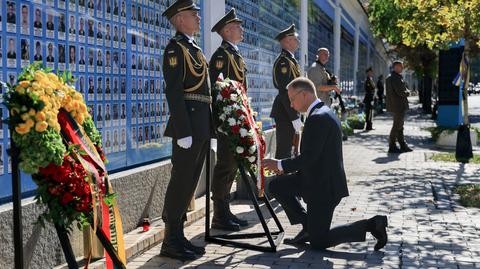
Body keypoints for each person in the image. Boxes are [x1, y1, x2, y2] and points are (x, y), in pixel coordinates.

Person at [263, 77, 388, 251]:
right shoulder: (321, 112)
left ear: (304, 94)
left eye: (292, 99)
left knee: (318, 242)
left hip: (324, 188)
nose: (290, 105)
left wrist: (280, 165)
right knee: (277, 186)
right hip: (313, 178)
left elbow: (308, 157)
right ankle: (309, 226)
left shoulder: (318, 118)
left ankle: (373, 224)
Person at [160, 0, 213, 261]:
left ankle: (178, 237)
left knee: (189, 183)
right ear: (180, 19)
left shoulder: (194, 49)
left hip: (200, 126)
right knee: (181, 182)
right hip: (188, 127)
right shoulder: (175, 50)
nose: (198, 18)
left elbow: (205, 93)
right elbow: (174, 92)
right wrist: (183, 131)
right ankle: (170, 240)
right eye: (194, 14)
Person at [209, 8, 248, 232]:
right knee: (225, 166)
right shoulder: (222, 56)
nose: (241, 29)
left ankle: (225, 213)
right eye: (237, 26)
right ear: (227, 30)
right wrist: (225, 121)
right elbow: (219, 91)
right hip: (228, 122)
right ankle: (220, 215)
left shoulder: (234, 55)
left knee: (233, 165)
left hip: (238, 121)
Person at [270, 24, 301, 159]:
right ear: (287, 41)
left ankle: (286, 178)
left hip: (290, 111)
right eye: (295, 39)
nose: (297, 41)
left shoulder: (291, 61)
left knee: (290, 150)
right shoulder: (283, 62)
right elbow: (285, 92)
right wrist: (294, 117)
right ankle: (281, 179)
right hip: (285, 112)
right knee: (284, 151)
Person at [386, 60, 412, 153]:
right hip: (398, 106)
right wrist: (408, 92)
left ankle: (402, 145)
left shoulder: (395, 77)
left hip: (398, 105)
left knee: (400, 126)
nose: (402, 68)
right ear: (395, 67)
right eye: (400, 66)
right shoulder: (394, 78)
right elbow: (400, 92)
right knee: (397, 126)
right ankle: (392, 146)